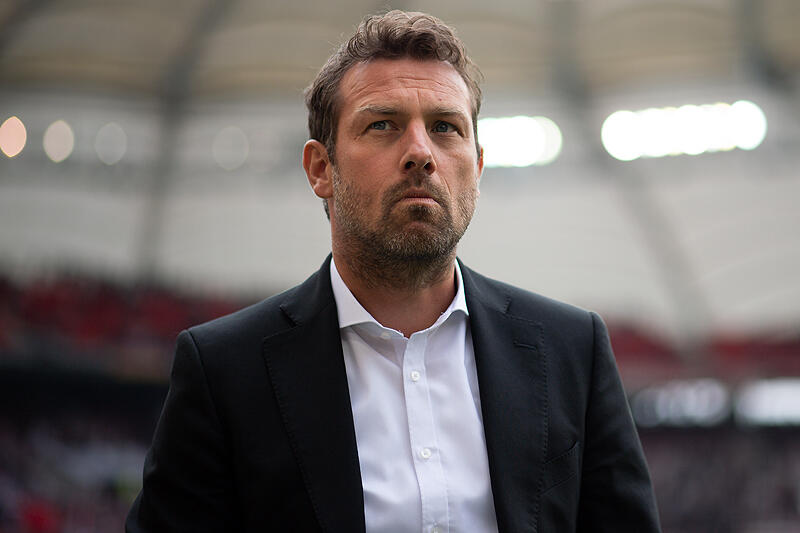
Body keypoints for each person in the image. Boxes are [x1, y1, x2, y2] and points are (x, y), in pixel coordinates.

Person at [126, 10, 661, 533]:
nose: (420, 153)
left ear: (476, 167)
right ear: (321, 168)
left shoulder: (573, 350)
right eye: (383, 125)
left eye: (445, 127)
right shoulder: (224, 370)